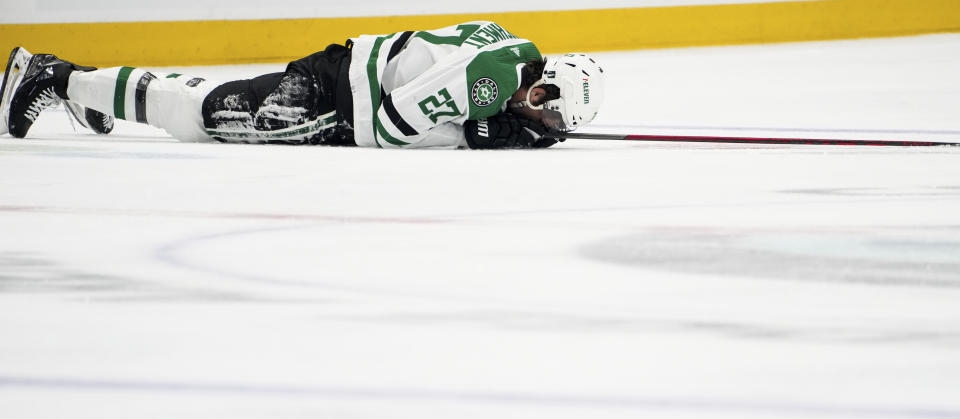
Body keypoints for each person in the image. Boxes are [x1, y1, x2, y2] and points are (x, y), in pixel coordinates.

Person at [0, 21, 604, 149]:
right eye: (548, 115)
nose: (541, 123)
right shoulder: (492, 80)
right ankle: (55, 76)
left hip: (338, 75)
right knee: (200, 114)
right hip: (324, 104)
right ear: (542, 89)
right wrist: (479, 133)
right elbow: (391, 128)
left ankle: (86, 87)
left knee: (205, 108)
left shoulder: (511, 47)